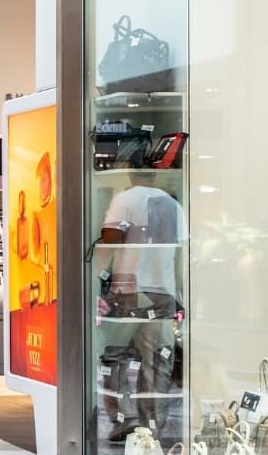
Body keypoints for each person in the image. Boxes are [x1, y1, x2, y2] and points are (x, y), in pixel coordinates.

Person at [95, 172, 183, 442]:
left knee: (115, 356)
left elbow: (109, 244)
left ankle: (126, 419)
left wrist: (93, 283)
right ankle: (151, 427)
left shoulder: (124, 200)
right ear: (156, 174)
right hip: (162, 293)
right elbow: (179, 253)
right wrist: (179, 294)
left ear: (132, 173)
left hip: (129, 291)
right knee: (157, 361)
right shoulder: (172, 205)